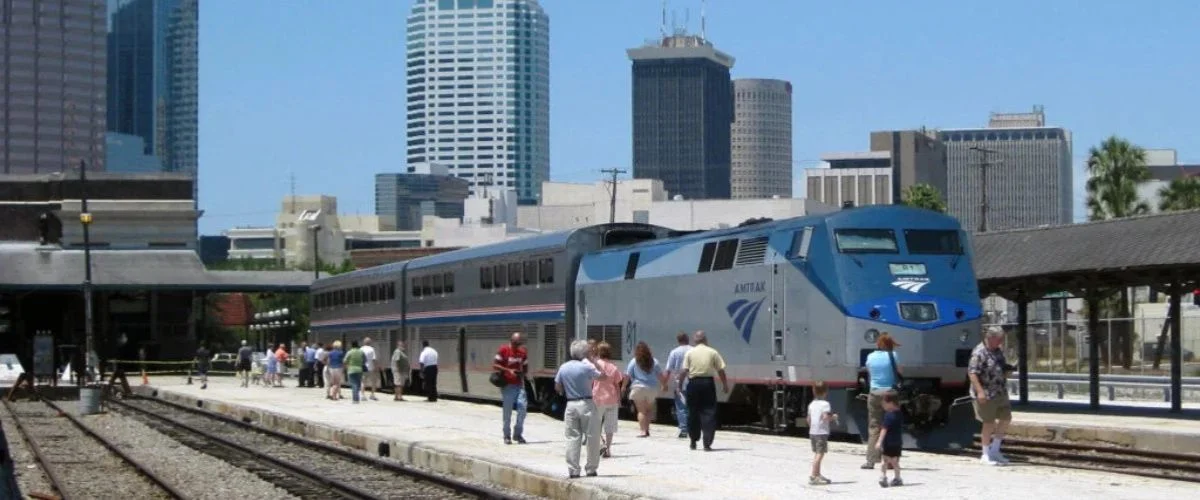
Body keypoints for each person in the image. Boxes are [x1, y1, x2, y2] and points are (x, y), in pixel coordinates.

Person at [554, 339, 607, 478]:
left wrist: (565, 391)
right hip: (587, 403)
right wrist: (595, 362)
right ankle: (591, 468)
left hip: (570, 404)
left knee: (572, 437)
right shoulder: (586, 367)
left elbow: (558, 387)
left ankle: (573, 470)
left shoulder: (563, 367)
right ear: (585, 354)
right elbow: (603, 377)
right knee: (592, 437)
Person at [968, 326, 1014, 466]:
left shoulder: (998, 351)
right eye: (999, 339)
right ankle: (985, 453)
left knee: (1006, 418)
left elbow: (999, 366)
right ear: (990, 338)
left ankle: (995, 450)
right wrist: (980, 392)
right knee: (988, 423)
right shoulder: (979, 352)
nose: (1001, 342)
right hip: (986, 393)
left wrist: (1007, 370)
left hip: (1000, 391)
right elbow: (972, 373)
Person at [677, 330, 728, 451]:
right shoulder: (713, 352)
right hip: (707, 383)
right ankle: (707, 443)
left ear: (695, 341)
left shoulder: (690, 353)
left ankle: (693, 440)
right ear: (705, 340)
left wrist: (679, 385)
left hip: (693, 383)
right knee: (709, 412)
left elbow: (684, 371)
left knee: (692, 412)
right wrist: (725, 384)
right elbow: (721, 370)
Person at [861, 332, 901, 469]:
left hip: (874, 393)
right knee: (891, 426)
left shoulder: (870, 356)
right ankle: (891, 461)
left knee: (874, 427)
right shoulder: (893, 356)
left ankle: (871, 460)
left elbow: (869, 373)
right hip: (890, 394)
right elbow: (900, 372)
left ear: (878, 344)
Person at [625, 341, 666, 438]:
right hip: (651, 388)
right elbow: (660, 375)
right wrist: (664, 384)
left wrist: (623, 387)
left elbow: (627, 375)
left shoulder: (634, 361)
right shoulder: (654, 361)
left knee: (641, 411)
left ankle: (643, 431)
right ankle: (647, 429)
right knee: (648, 410)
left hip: (638, 387)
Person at [494, 332, 529, 444]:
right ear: (511, 341)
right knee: (507, 411)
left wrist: (521, 374)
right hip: (507, 385)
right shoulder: (503, 350)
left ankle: (518, 434)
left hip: (519, 384)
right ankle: (506, 435)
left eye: (518, 344)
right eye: (515, 343)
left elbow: (525, 367)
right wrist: (508, 370)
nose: (516, 346)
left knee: (522, 408)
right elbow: (495, 365)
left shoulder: (522, 352)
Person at [592, 341, 625, 458]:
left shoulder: (594, 366)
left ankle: (601, 444)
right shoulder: (614, 368)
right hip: (612, 399)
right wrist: (619, 400)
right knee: (610, 427)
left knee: (595, 425)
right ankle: (608, 449)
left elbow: (591, 382)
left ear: (598, 352)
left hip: (597, 398)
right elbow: (617, 385)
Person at [663, 332, 693, 439]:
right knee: (692, 407)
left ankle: (684, 430)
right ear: (687, 339)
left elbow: (668, 370)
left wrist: (664, 383)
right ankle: (694, 428)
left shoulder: (674, 352)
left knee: (681, 407)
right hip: (693, 382)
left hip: (679, 384)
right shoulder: (693, 350)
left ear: (678, 340)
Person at [807, 381, 837, 485]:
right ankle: (813, 475)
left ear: (814, 391)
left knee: (817, 453)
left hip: (813, 432)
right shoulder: (825, 404)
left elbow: (808, 419)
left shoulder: (811, 404)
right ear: (826, 392)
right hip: (822, 432)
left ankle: (818, 474)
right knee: (820, 454)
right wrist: (833, 417)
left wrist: (812, 427)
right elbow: (825, 417)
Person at [876, 393, 904, 488]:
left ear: (890, 403)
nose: (883, 406)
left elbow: (884, 429)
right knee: (895, 462)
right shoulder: (900, 413)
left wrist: (879, 441)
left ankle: (883, 477)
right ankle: (898, 478)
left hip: (888, 442)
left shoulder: (888, 415)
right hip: (897, 442)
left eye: (884, 404)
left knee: (885, 461)